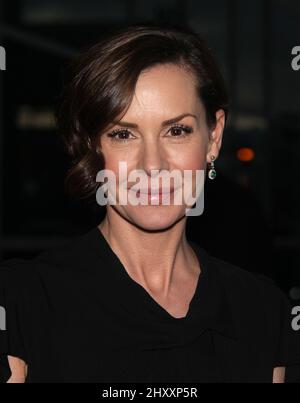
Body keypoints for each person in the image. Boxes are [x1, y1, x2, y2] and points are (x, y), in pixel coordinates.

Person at [1, 23, 300, 383]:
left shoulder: (262, 312)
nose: (152, 165)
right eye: (123, 134)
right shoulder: (23, 303)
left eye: (176, 131)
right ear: (93, 147)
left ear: (214, 137)